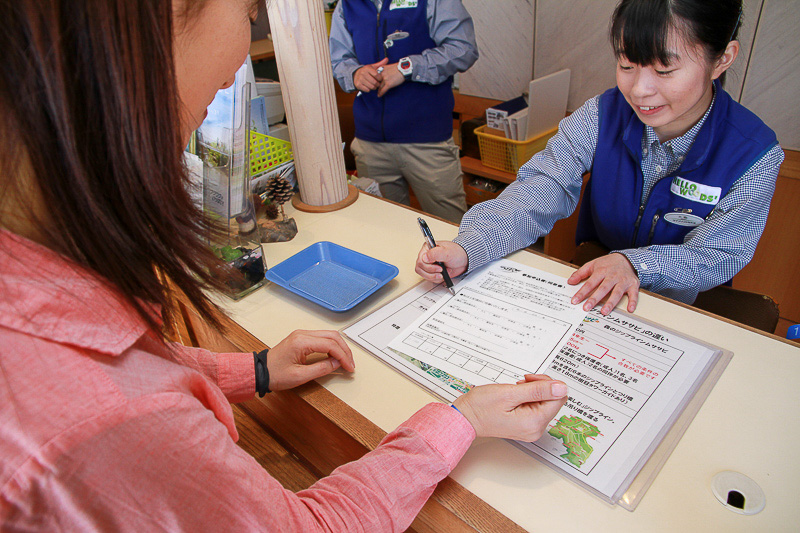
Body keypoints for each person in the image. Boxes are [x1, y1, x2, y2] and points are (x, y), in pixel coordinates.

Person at [0, 1, 568, 530]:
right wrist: (462, 419)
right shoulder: (107, 421)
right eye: (249, 14)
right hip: (376, 135)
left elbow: (139, 368)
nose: (237, 65)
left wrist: (255, 370)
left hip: (423, 130)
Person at [416, 0, 784, 316]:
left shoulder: (754, 155)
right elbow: (544, 186)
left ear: (722, 59)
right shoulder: (602, 115)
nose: (640, 90)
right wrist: (470, 247)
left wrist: (635, 265)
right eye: (627, 65)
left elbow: (716, 254)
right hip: (589, 298)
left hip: (672, 312)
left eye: (664, 70)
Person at [329, 0, 478, 224]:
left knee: (450, 230)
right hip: (370, 144)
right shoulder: (346, 5)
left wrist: (406, 68)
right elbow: (338, 59)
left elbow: (463, 48)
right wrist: (354, 73)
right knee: (384, 229)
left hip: (427, 141)